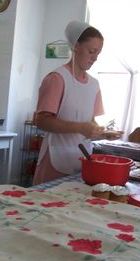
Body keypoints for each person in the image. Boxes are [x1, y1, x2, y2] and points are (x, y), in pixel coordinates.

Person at [33, 20, 105, 185]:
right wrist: (80, 128)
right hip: (55, 160)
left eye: (98, 54)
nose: (95, 58)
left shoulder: (94, 85)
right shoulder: (57, 79)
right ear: (75, 46)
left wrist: (98, 130)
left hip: (83, 160)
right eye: (91, 51)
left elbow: (91, 121)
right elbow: (41, 121)